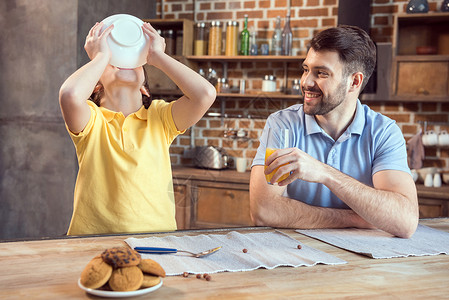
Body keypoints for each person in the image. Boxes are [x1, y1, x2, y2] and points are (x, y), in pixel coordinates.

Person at [250, 25, 418, 239]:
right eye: (305, 69)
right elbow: (263, 211)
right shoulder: (283, 124)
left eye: (321, 73)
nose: (306, 82)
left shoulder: (383, 132)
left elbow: (405, 221)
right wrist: (356, 219)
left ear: (354, 82)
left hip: (361, 261)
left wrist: (325, 173)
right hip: (295, 254)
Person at [59, 21, 216, 235]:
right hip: (91, 239)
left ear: (144, 89)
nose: (124, 61)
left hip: (157, 239)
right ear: (96, 84)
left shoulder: (160, 118)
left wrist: (158, 57)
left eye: (135, 62)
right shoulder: (92, 120)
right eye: (115, 59)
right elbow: (70, 95)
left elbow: (205, 94)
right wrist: (101, 56)